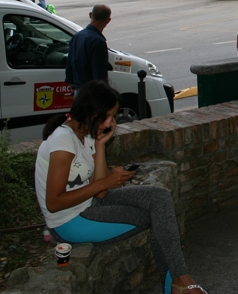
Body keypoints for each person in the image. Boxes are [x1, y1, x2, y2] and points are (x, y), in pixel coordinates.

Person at [35, 81, 208, 294]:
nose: (110, 123)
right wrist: (105, 181)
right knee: (158, 218)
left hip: (90, 203)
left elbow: (101, 192)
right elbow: (54, 203)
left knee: (159, 197)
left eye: (113, 117)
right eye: (107, 116)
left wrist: (100, 146)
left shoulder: (87, 134)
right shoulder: (63, 143)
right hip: (69, 222)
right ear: (91, 112)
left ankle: (179, 281)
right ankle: (179, 283)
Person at [66, 5, 112, 96]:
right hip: (92, 93)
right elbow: (99, 72)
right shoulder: (98, 42)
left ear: (90, 15)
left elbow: (70, 63)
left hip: (78, 90)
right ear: (108, 20)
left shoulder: (77, 36)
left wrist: (71, 82)